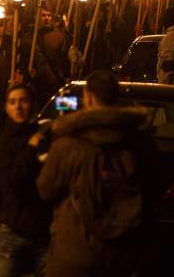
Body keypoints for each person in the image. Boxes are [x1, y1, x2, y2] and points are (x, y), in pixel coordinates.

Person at [37, 70, 157, 277]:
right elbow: (155, 185)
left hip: (75, 250)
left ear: (89, 98)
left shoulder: (67, 145)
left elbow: (46, 190)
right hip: (124, 252)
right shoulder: (141, 144)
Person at [0, 84, 52, 277]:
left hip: (44, 231)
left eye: (23, 101)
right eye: (12, 102)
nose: (18, 107)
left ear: (33, 105)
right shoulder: (3, 144)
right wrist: (31, 150)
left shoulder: (46, 138)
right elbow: (11, 184)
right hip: (14, 230)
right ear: (6, 107)